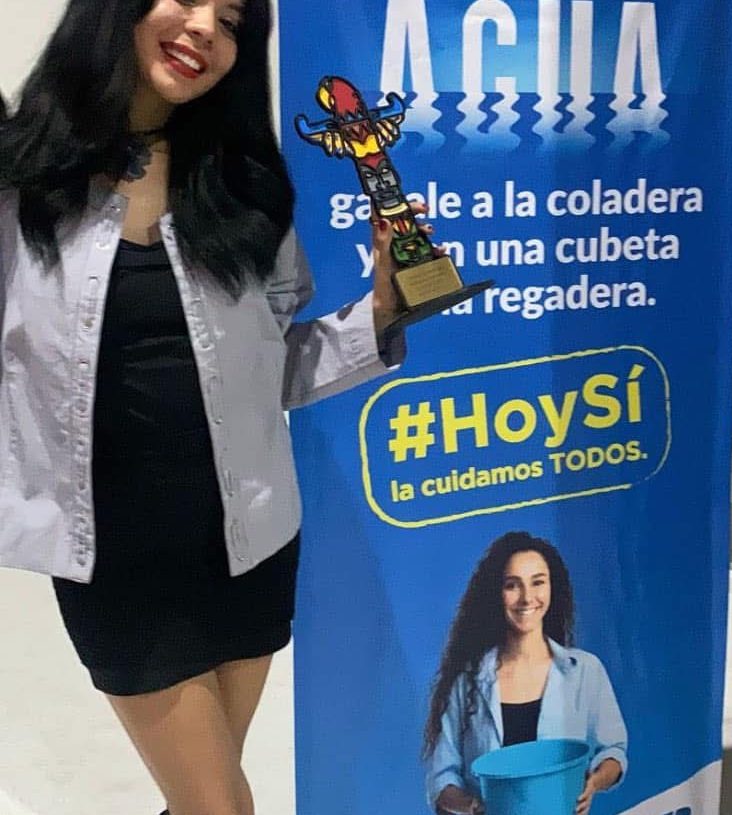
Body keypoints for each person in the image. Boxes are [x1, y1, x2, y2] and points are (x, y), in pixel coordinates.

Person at [0, 2, 431, 813]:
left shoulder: (242, 185)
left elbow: (274, 366)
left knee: (207, 797)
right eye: (189, 1)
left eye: (232, 21)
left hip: (247, 540)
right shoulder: (22, 174)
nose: (205, 28)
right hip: (116, 557)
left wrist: (381, 311)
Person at [423, 532, 627, 815]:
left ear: (552, 587)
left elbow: (612, 751)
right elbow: (442, 777)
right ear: (497, 593)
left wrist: (594, 782)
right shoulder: (466, 682)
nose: (527, 597)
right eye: (512, 585)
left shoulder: (585, 671)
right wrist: (473, 806)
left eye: (538, 582)